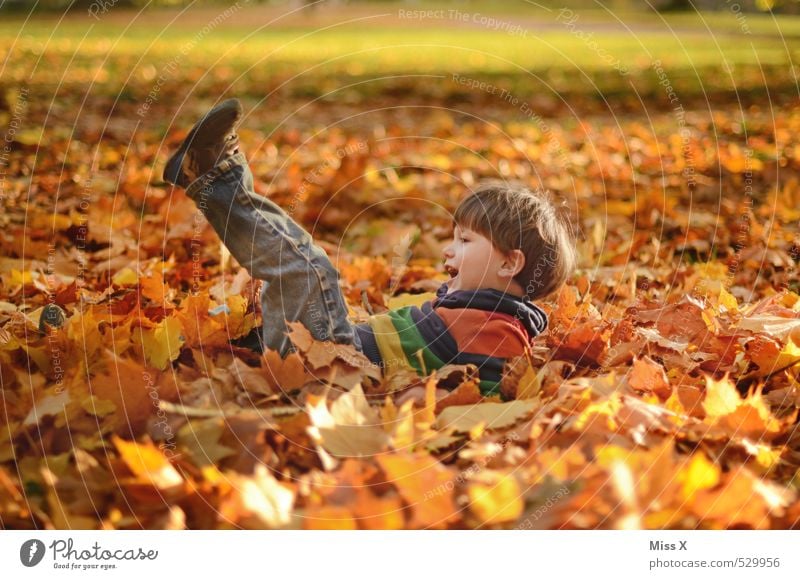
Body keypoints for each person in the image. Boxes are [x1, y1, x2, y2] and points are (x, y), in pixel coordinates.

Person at [162, 98, 576, 399]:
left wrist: (419, 401)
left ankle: (217, 175)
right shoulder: (479, 308)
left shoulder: (501, 329)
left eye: (465, 241)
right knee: (309, 287)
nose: (448, 252)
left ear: (510, 263)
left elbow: (485, 396)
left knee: (310, 271)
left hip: (337, 370)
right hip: (335, 353)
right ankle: (220, 337)